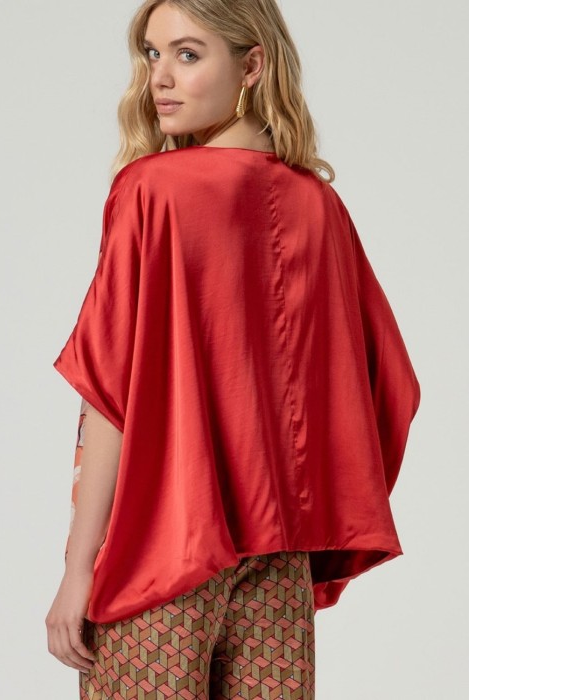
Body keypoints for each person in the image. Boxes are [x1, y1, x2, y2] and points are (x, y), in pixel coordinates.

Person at [45, 0, 421, 697]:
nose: (160, 77)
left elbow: (109, 392)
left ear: (252, 65)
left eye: (188, 54)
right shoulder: (320, 206)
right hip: (280, 565)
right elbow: (390, 387)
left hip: (162, 557)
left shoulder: (152, 191)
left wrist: (77, 569)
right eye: (152, 54)